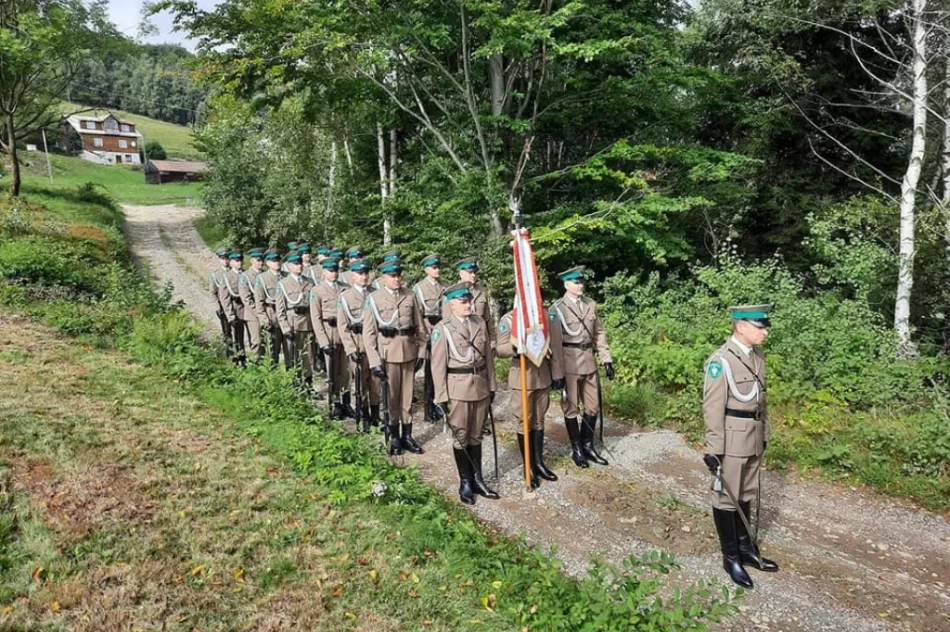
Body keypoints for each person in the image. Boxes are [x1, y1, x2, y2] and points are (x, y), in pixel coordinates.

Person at [703, 304, 779, 589]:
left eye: (764, 325)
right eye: (759, 326)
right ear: (741, 327)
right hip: (731, 440)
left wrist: (765, 432)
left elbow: (762, 400)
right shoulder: (720, 361)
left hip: (753, 435)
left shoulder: (757, 356)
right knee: (727, 497)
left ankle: (746, 549)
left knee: (746, 492)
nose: (765, 331)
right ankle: (730, 556)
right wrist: (713, 449)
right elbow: (712, 409)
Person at [431, 283, 498, 505]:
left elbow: (488, 357)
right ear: (452, 304)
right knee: (461, 435)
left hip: (479, 385)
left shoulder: (479, 323)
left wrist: (492, 385)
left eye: (469, 301)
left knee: (476, 434)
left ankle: (478, 479)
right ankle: (466, 482)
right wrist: (441, 396)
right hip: (457, 387)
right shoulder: (443, 328)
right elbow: (437, 365)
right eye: (463, 302)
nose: (469, 304)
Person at [550, 266, 614, 468]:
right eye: (576, 282)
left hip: (589, 360)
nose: (581, 285)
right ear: (566, 285)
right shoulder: (557, 309)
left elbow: (599, 332)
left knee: (592, 406)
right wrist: (557, 373)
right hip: (569, 363)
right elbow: (555, 344)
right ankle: (576, 449)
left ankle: (588, 445)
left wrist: (606, 359)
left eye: (581, 282)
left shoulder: (590, 305)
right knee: (571, 408)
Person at [362, 258, 426, 456]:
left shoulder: (410, 295)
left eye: (398, 275)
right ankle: (394, 436)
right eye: (392, 276)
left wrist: (422, 352)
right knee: (391, 398)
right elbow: (369, 333)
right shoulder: (374, 298)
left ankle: (407, 435)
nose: (397, 279)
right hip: (387, 354)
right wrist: (374, 362)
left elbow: (420, 326)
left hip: (408, 352)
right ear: (383, 278)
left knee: (407, 397)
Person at [496, 308, 565, 488]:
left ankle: (539, 463)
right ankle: (528, 467)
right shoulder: (510, 319)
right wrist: (514, 347)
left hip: (542, 373)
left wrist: (557, 374)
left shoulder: (544, 315)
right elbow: (499, 348)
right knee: (523, 420)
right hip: (521, 375)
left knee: (539, 420)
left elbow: (555, 345)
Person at [338, 258, 381, 432]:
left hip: (375, 344)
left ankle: (376, 415)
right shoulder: (345, 297)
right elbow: (342, 326)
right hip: (358, 344)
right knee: (361, 383)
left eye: (366, 273)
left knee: (376, 382)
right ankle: (364, 415)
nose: (364, 277)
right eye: (360, 273)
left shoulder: (376, 294)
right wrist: (349, 348)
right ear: (352, 275)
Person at [310, 257, 351, 419]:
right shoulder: (317, 291)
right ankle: (334, 404)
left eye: (335, 270)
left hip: (345, 334)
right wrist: (323, 341)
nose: (334, 273)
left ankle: (346, 402)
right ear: (323, 272)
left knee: (346, 371)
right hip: (329, 332)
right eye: (330, 270)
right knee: (332, 371)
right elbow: (316, 318)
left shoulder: (345, 289)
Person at [413, 253, 447, 422]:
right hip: (428, 332)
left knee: (441, 371)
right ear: (426, 269)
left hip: (442, 332)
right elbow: (417, 315)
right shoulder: (419, 288)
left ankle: (440, 404)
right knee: (429, 373)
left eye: (438, 267)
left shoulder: (445, 287)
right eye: (434, 267)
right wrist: (425, 335)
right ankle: (428, 408)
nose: (437, 270)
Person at [276, 251, 315, 388]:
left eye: (300, 263)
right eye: (295, 264)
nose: (299, 266)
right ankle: (294, 384)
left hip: (307, 323)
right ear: (289, 266)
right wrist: (285, 328)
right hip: (292, 324)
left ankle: (309, 385)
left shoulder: (309, 282)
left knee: (308, 357)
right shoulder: (283, 284)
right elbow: (280, 310)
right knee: (292, 356)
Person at [254, 249, 285, 366]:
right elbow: (259, 302)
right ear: (267, 263)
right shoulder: (262, 278)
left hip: (287, 319)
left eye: (278, 260)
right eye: (273, 260)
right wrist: (264, 320)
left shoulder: (286, 277)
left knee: (291, 351)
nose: (276, 262)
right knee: (273, 352)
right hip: (272, 317)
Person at [239, 248, 265, 361]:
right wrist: (258, 312)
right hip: (253, 314)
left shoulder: (265, 274)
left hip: (266, 312)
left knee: (267, 341)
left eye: (262, 260)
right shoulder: (245, 276)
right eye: (258, 260)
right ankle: (255, 364)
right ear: (252, 261)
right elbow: (246, 298)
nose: (261, 263)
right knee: (257, 341)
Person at [222, 250, 248, 365]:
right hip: (236, 309)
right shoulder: (227, 277)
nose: (239, 263)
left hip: (247, 309)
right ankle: (238, 358)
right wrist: (230, 315)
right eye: (236, 261)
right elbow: (225, 298)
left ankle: (245, 359)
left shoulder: (246, 274)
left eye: (241, 260)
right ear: (231, 262)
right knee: (237, 336)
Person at [209, 247, 233, 354]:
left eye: (227, 258)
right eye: (223, 258)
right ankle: (230, 353)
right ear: (219, 260)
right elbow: (213, 293)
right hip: (223, 306)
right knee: (227, 331)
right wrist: (217, 307)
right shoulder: (215, 275)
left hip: (237, 305)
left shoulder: (237, 272)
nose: (225, 261)